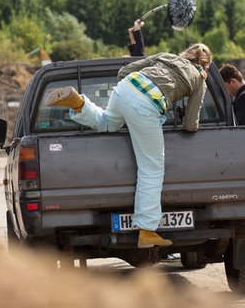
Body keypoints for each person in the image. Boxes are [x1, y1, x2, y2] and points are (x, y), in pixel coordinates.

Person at [45, 44, 213, 248]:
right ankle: (147, 231)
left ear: (186, 54)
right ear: (204, 66)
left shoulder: (165, 56)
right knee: (152, 168)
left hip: (127, 86)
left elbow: (123, 72)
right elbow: (190, 124)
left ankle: (79, 103)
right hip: (147, 104)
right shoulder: (199, 80)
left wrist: (130, 100)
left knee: (107, 122)